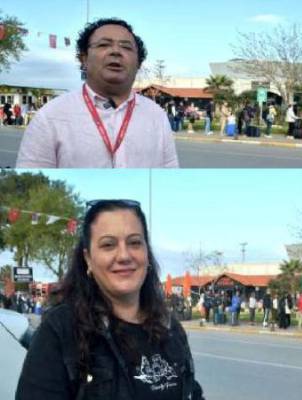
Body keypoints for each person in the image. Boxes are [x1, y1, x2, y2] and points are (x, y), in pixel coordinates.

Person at [15, 199, 203, 399]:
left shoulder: (169, 326)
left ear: (146, 253)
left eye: (134, 242)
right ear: (88, 258)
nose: (124, 255)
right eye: (108, 245)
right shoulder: (60, 330)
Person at [18, 19, 178, 168]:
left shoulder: (156, 116)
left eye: (126, 47)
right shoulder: (49, 117)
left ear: (138, 63)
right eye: (104, 45)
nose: (116, 51)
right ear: (84, 59)